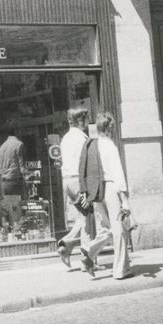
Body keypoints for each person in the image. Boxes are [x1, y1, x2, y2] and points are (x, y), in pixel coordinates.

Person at [78, 111, 131, 280]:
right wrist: (125, 200)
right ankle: (120, 270)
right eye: (112, 127)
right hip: (111, 190)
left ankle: (89, 251)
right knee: (119, 230)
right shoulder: (110, 146)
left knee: (107, 229)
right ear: (109, 128)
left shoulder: (91, 145)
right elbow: (118, 174)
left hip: (97, 192)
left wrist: (88, 193)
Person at [56, 107, 90, 268]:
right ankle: (88, 261)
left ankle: (67, 246)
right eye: (85, 119)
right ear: (80, 121)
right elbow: (84, 165)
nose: (87, 122)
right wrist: (86, 189)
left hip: (67, 181)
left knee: (82, 217)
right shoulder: (81, 139)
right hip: (78, 181)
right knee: (88, 221)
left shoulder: (66, 138)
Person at [0, 126, 26, 199]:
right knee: (19, 206)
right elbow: (22, 168)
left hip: (4, 183)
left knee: (8, 207)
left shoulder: (2, 146)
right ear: (17, 131)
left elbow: (0, 166)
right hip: (15, 181)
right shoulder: (19, 144)